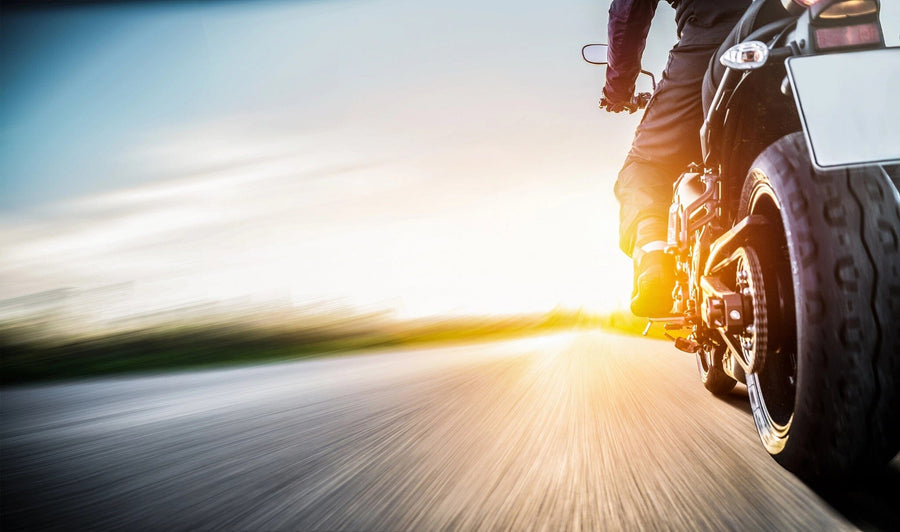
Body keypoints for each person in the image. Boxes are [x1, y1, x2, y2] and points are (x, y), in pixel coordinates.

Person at [601, 0, 752, 317]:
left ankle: (654, 260)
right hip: (814, 27)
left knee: (644, 165)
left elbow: (628, 13)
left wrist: (619, 89)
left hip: (718, 41)